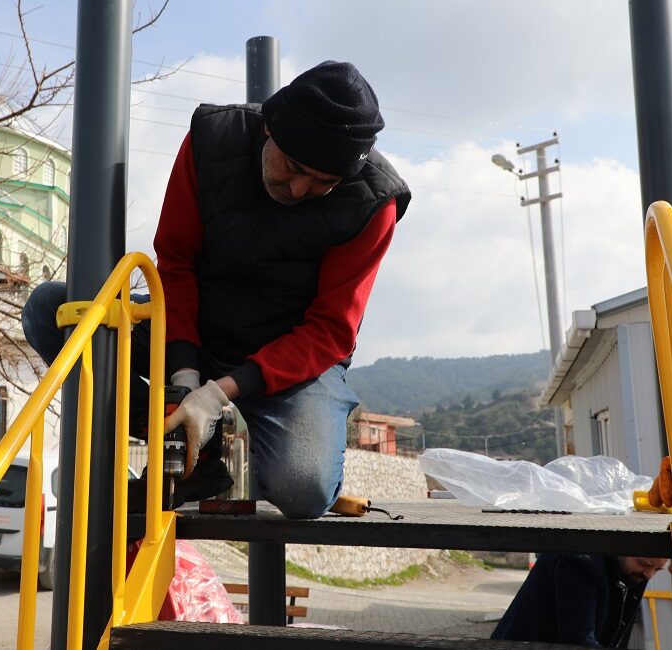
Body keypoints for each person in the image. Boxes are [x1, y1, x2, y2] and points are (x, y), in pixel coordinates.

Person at [21, 60, 411, 519]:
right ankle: (187, 449)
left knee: (304, 490)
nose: (301, 187)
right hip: (196, 324)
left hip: (287, 358)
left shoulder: (372, 203)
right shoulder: (212, 141)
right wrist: (185, 373)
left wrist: (219, 393)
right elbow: (178, 259)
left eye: (324, 183)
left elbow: (330, 330)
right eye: (293, 166)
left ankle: (228, 454)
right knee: (51, 308)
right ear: (269, 129)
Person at [491, 554, 668, 647]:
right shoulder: (579, 563)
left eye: (657, 570)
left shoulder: (636, 572)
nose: (650, 575)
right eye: (644, 564)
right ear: (624, 547)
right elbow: (578, 641)